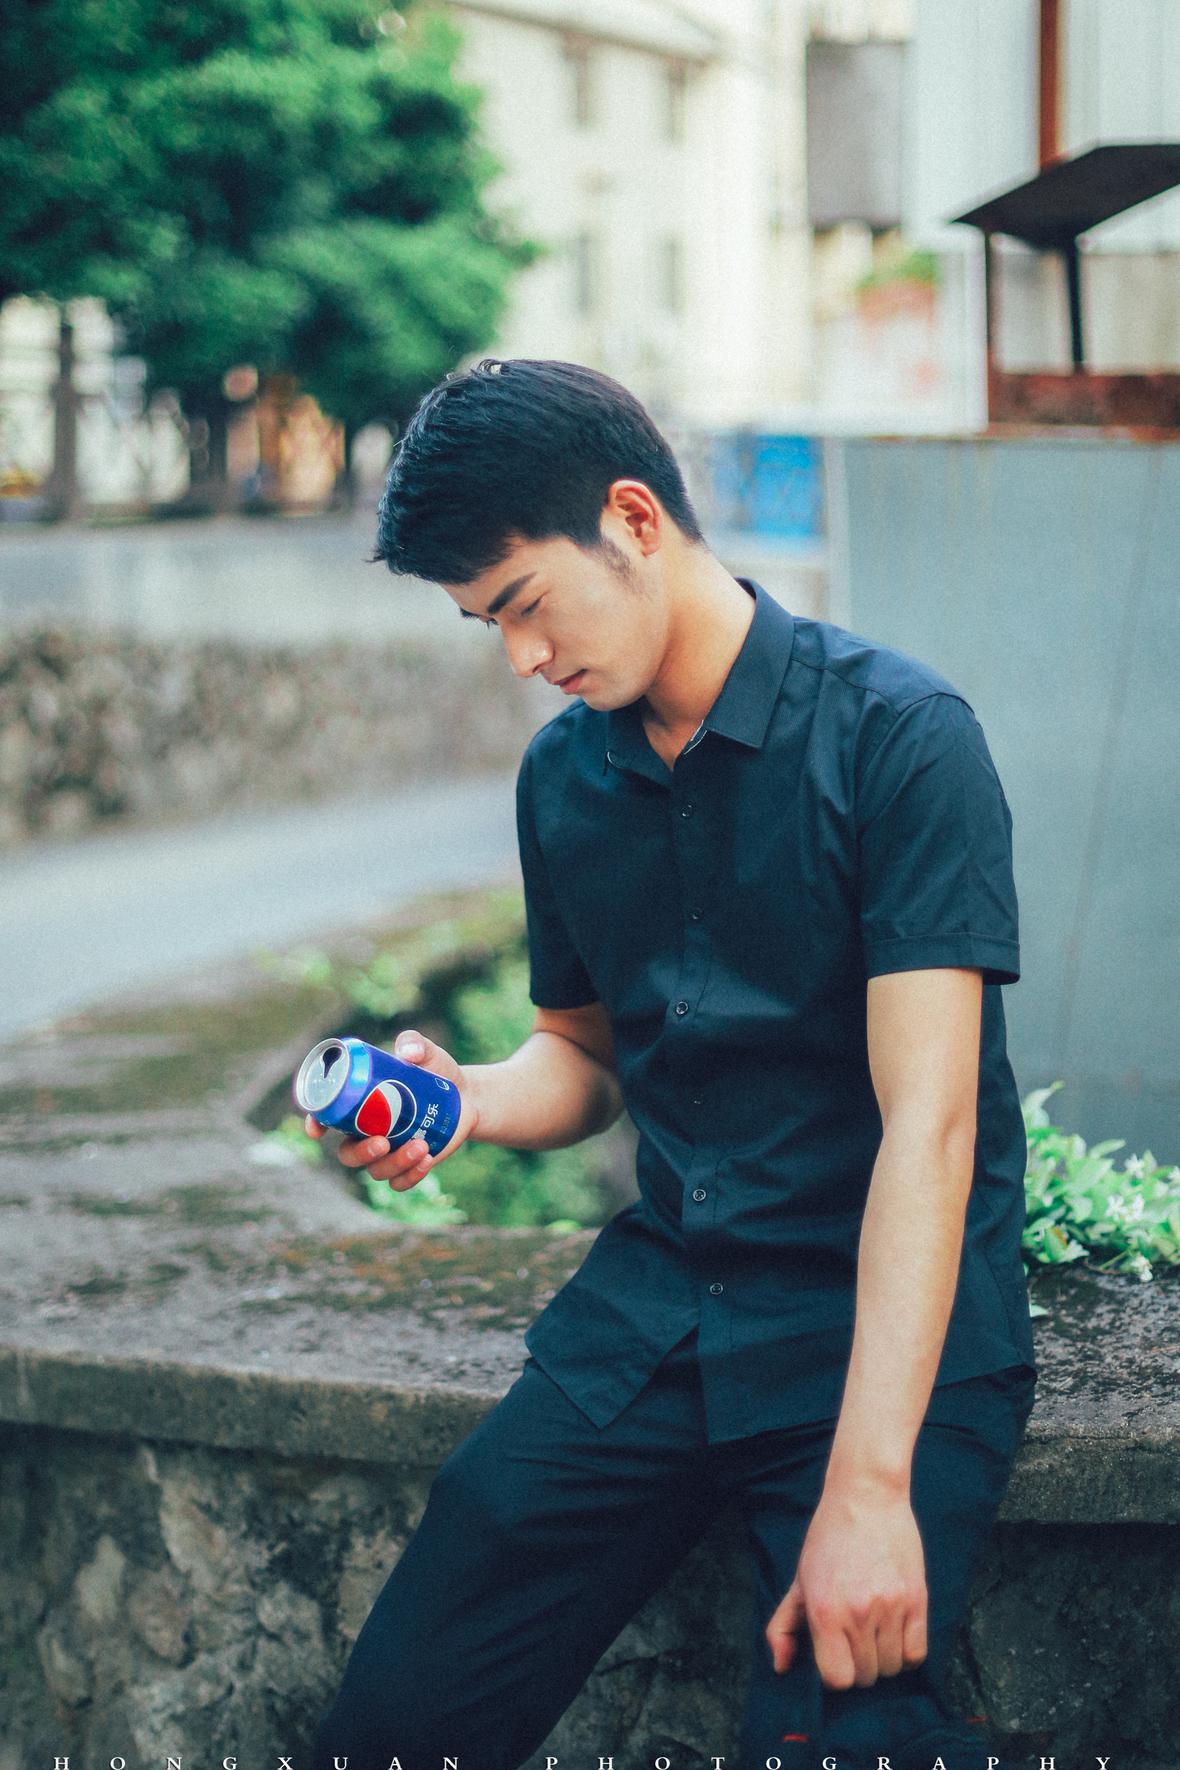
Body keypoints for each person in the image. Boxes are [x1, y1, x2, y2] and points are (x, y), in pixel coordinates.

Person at [305, 358, 1038, 1770]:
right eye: (487, 624)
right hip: (660, 1318)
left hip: (875, 1330)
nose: (521, 658)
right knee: (395, 1719)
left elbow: (932, 1129)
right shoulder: (562, 779)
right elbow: (581, 1058)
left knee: (831, 1740)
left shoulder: (900, 738)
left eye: (524, 602)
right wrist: (459, 1102)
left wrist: (869, 1487)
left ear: (633, 520)